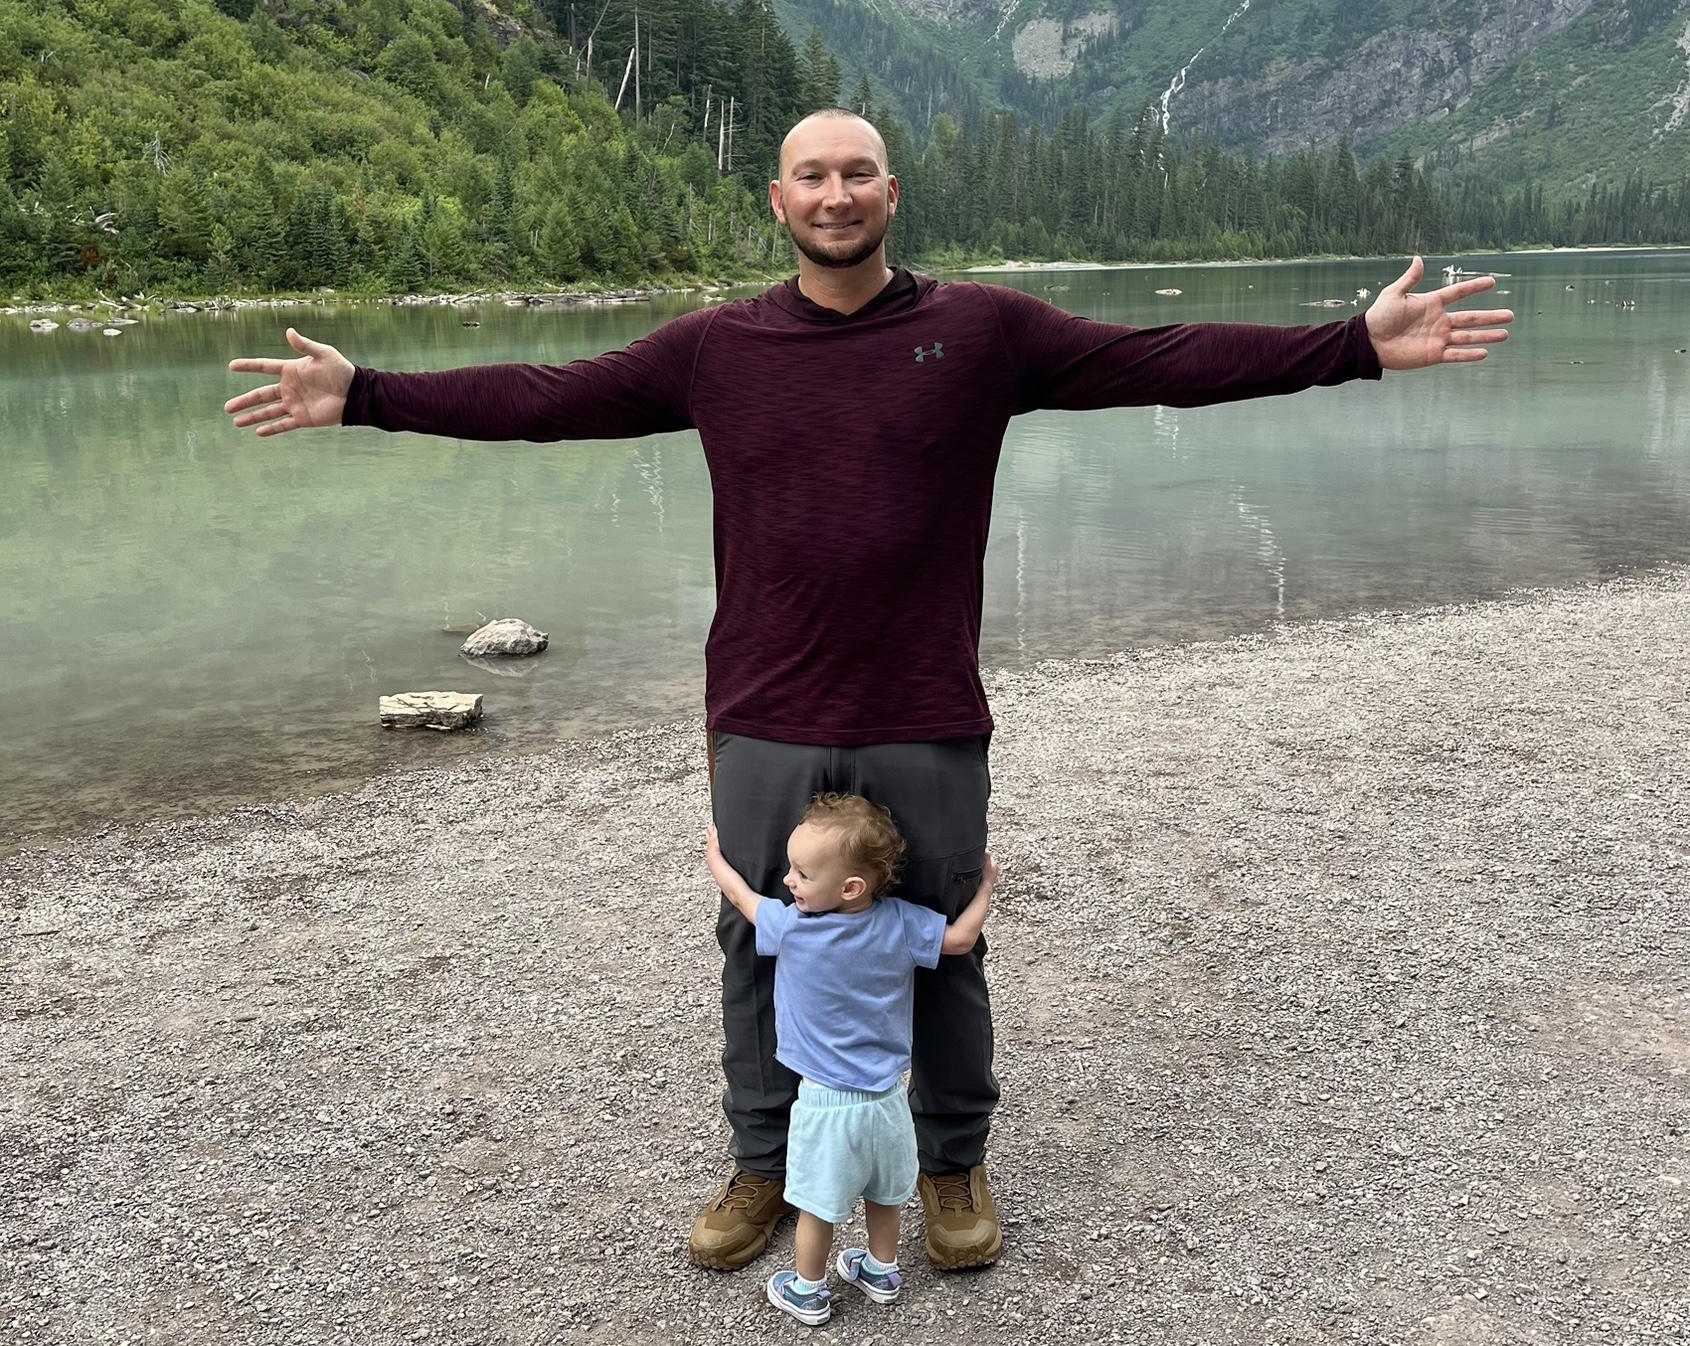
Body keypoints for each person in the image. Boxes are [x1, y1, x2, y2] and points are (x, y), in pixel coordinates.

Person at [225, 107, 1513, 1273]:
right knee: (759, 942)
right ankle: (764, 1165)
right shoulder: (715, 348)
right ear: (777, 201)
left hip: (923, 705)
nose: (834, 194)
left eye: (856, 174)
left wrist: (1350, 346)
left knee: (943, 942)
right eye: (811, 176)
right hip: (765, 710)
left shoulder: (984, 333)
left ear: (891, 195)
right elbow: (549, 396)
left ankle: (952, 1164)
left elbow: (1161, 357)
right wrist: (368, 394)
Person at [704, 796, 999, 1324]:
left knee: (818, 1203)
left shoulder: (792, 927)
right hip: (888, 1098)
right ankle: (881, 1272)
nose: (789, 881)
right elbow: (960, 940)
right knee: (885, 1194)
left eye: (801, 874)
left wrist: (715, 855)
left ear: (850, 887)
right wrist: (986, 888)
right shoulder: (902, 922)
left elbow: (742, 897)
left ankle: (807, 1289)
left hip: (825, 1103)